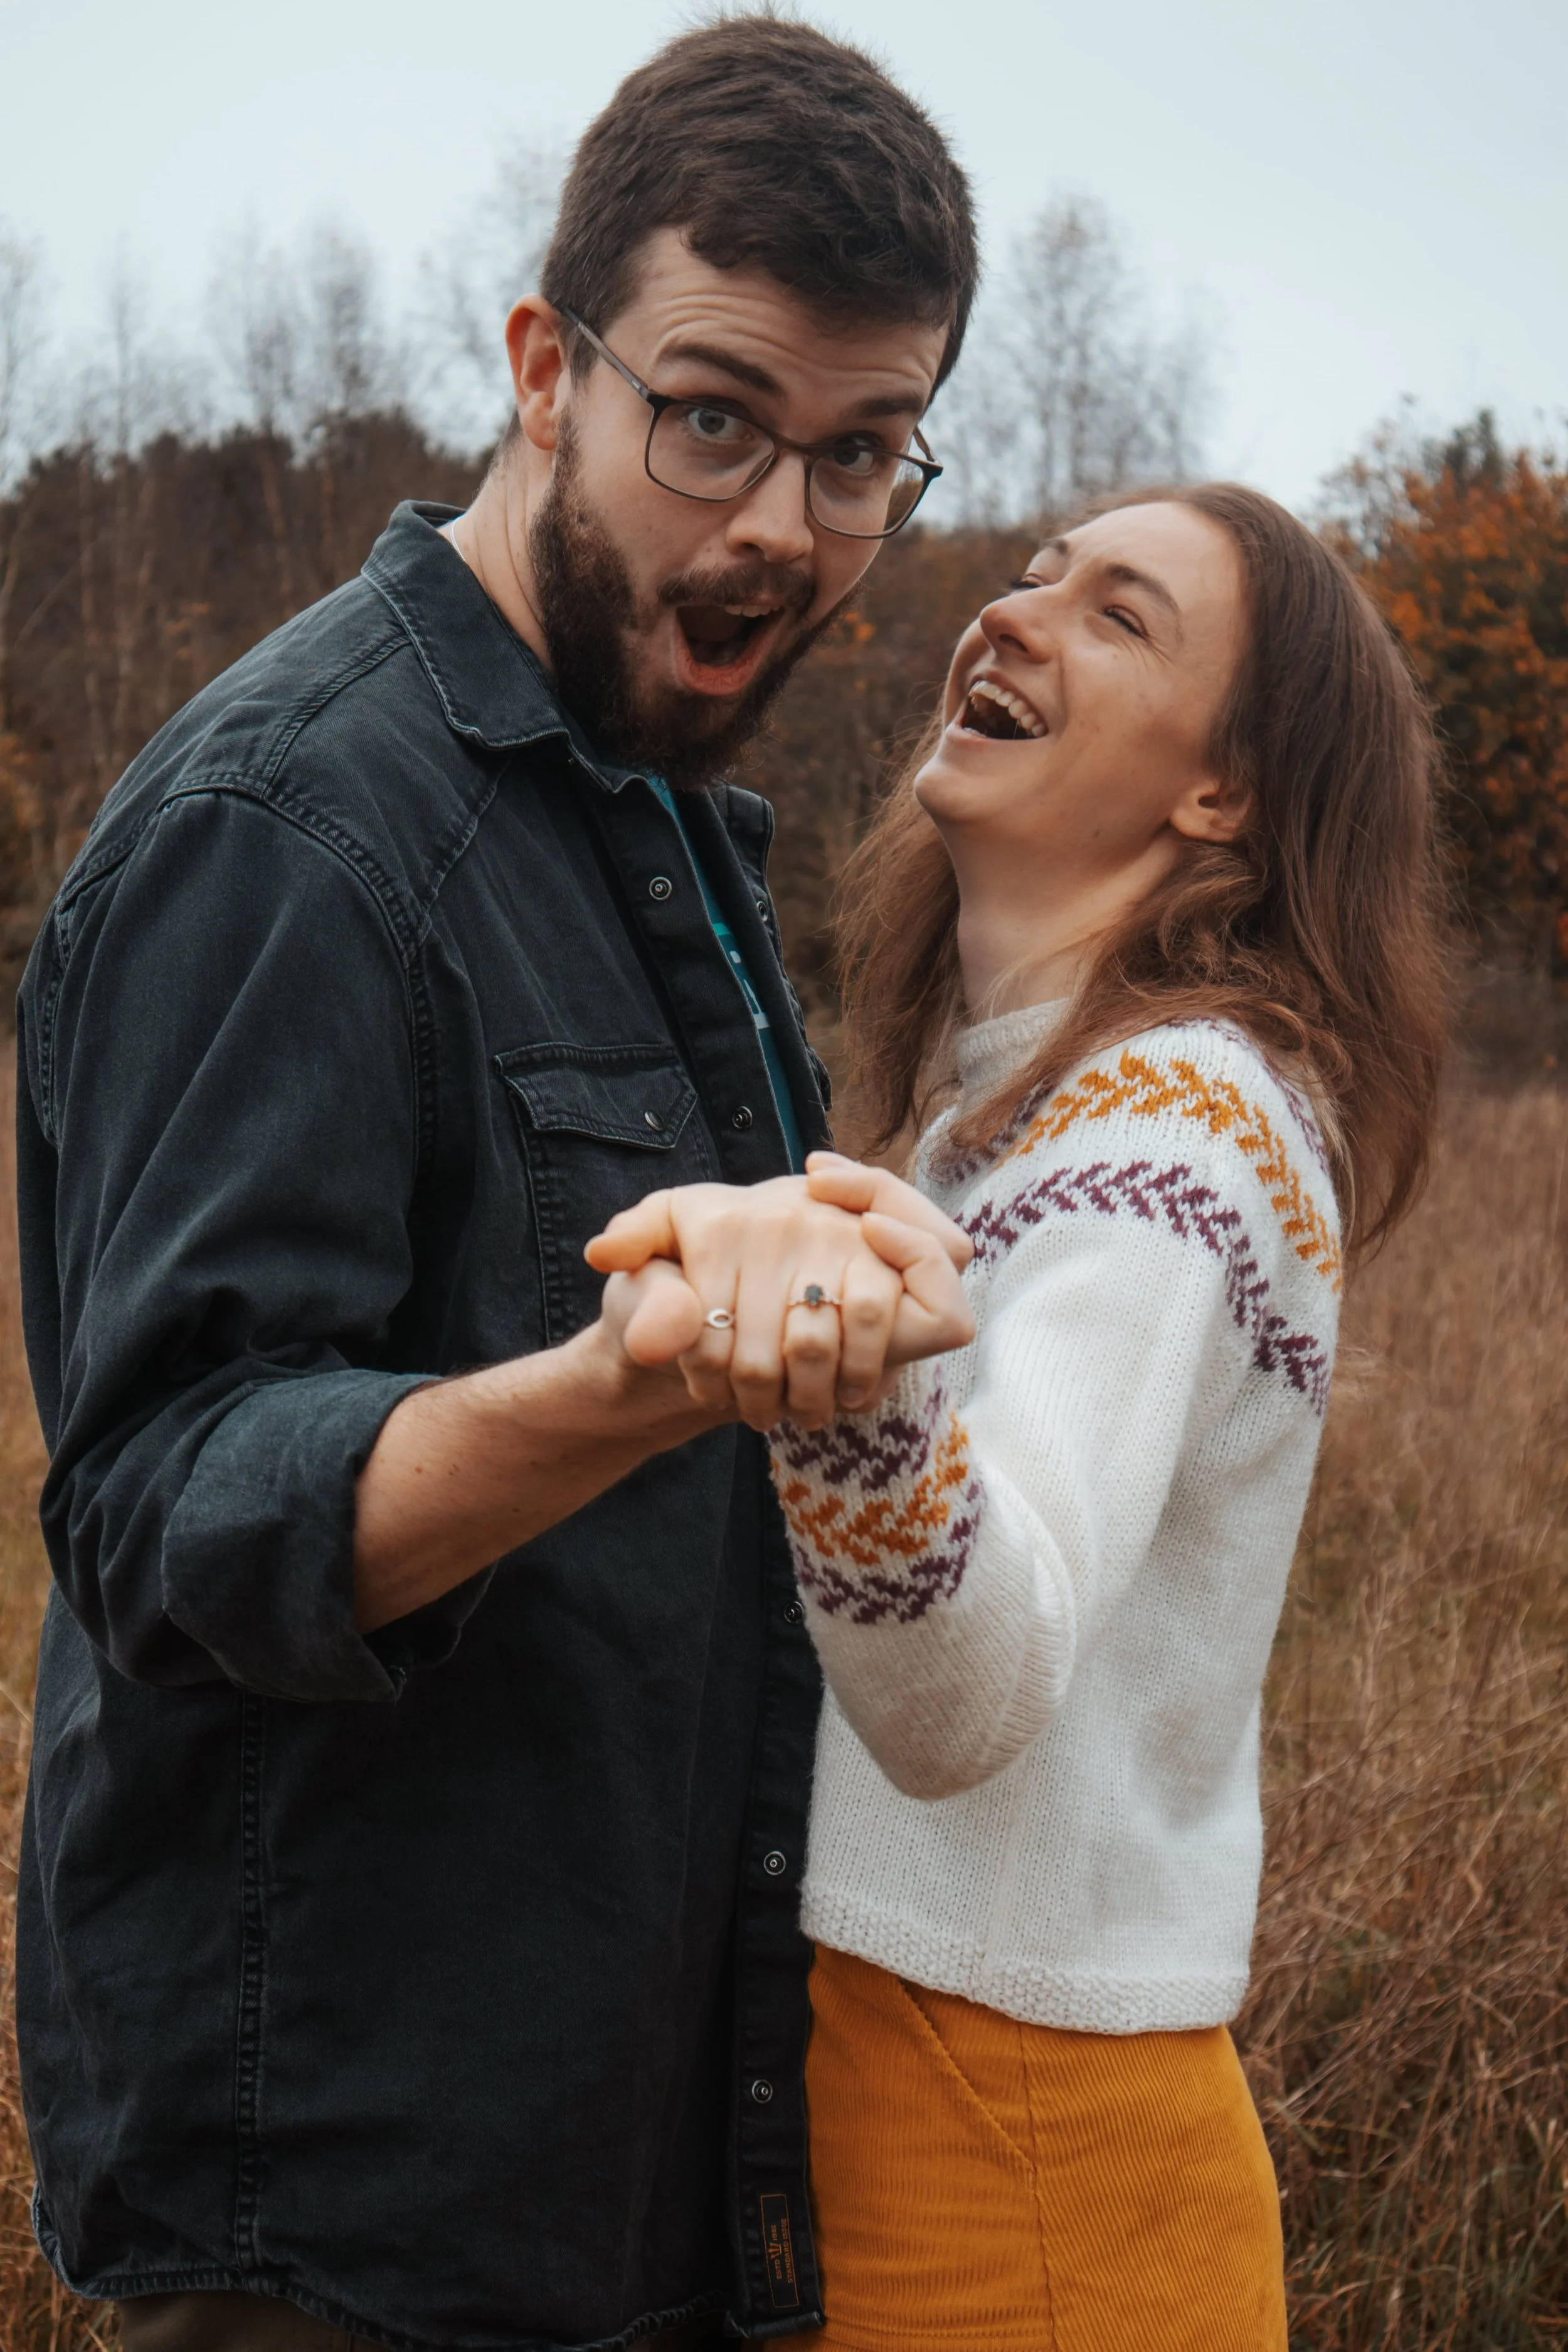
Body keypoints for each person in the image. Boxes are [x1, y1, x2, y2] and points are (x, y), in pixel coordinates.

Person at [13, 19, 981, 2350]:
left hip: (624, 2160)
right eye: (717, 417)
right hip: (350, 2218)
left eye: (864, 455)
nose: (785, 525)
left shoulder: (649, 818)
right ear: (547, 364)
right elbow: (168, 1511)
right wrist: (633, 1379)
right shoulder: (293, 828)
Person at [595, 485, 1448, 2348]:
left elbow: (972, 1694)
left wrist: (843, 1384)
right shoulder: (1000, 1122)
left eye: (1117, 613)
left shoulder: (1182, 1117)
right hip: (921, 2094)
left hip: (1024, 2155)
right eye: (1033, 569)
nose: (1012, 611)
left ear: (1220, 790)